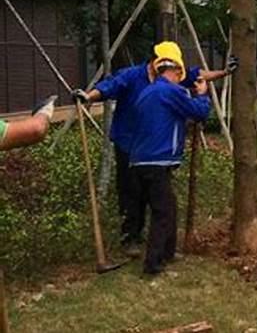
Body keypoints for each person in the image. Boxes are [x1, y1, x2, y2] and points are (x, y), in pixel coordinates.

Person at [72, 41, 237, 254]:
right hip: (129, 143)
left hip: (154, 147)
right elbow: (108, 87)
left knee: (158, 196)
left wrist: (224, 72)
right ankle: (131, 237)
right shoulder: (132, 76)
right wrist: (88, 96)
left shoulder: (170, 75)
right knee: (131, 192)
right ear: (154, 61)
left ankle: (156, 243)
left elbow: (198, 75)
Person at [128, 52, 211, 275]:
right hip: (157, 160)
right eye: (179, 75)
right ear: (175, 72)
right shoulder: (170, 91)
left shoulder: (146, 93)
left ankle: (168, 252)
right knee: (163, 212)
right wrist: (202, 96)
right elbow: (199, 112)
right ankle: (153, 264)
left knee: (168, 207)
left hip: (138, 160)